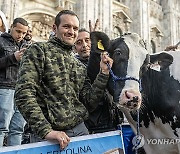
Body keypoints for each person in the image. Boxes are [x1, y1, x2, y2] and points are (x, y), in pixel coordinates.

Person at [15, 10, 113, 150]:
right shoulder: (39, 50)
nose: (71, 32)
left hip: (79, 132)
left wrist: (103, 73)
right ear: (54, 28)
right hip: (47, 135)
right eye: (66, 26)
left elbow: (89, 102)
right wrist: (46, 131)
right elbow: (23, 93)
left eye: (75, 28)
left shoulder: (78, 66)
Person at [74, 28, 123, 134]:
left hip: (112, 122)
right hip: (92, 126)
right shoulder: (75, 68)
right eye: (79, 42)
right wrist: (95, 52)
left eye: (87, 40)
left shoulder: (107, 62)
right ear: (75, 48)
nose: (84, 45)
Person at [0, 17, 28, 147]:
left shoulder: (26, 45)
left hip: (22, 92)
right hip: (5, 88)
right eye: (18, 31)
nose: (20, 36)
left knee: (17, 129)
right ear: (11, 27)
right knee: (2, 127)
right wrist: (13, 57)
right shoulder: (1, 41)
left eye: (24, 33)